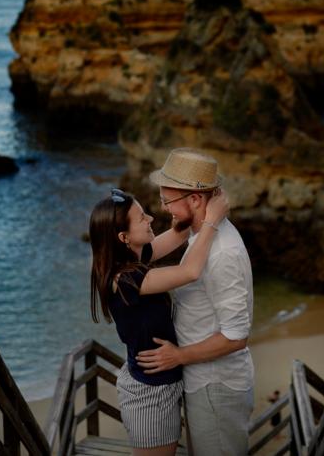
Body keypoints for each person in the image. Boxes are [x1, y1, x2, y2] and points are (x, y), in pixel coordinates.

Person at [89, 185, 229, 456]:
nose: (151, 218)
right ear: (123, 236)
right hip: (150, 396)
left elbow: (177, 235)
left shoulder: (131, 259)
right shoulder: (126, 279)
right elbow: (190, 271)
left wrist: (194, 211)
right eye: (142, 218)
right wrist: (212, 220)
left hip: (157, 382)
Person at [136, 148, 255, 456]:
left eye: (168, 200)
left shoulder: (223, 252)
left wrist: (178, 356)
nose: (163, 209)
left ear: (196, 200)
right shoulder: (201, 233)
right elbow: (153, 250)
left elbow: (236, 336)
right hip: (203, 381)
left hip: (215, 385)